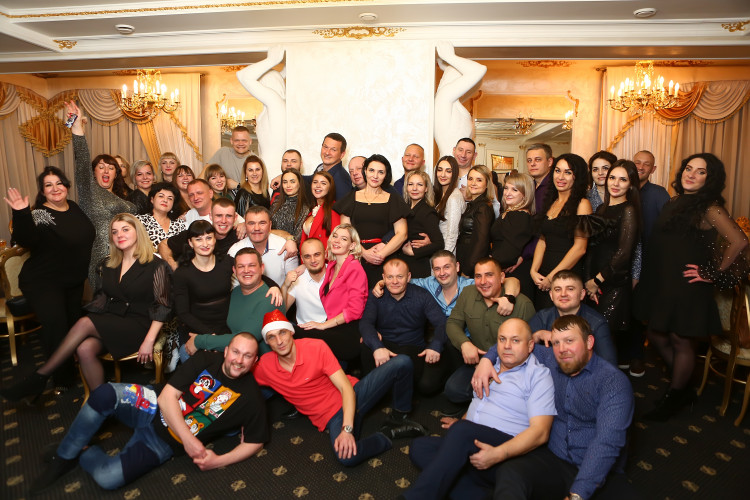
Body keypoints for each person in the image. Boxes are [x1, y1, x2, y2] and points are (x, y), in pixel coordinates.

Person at [29, 334, 268, 493]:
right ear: (226, 351)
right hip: (152, 404)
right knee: (104, 394)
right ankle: (63, 458)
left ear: (255, 360)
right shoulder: (207, 358)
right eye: (236, 352)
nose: (239, 360)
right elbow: (166, 397)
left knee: (108, 479)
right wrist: (189, 440)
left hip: (163, 443)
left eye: (247, 356)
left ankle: (82, 450)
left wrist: (218, 461)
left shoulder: (252, 398)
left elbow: (255, 442)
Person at [0, 213, 171, 403]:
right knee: (84, 348)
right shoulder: (108, 264)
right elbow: (100, 301)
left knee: (84, 323)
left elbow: (163, 305)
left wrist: (149, 340)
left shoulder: (157, 265)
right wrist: (77, 337)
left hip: (140, 324)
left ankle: (39, 377)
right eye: (114, 232)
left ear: (138, 232)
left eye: (125, 230)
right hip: (114, 320)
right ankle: (103, 404)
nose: (119, 235)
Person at [635, 153, 749, 421]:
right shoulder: (674, 201)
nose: (691, 175)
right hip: (664, 281)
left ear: (710, 179)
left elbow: (740, 241)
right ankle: (684, 384)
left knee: (681, 339)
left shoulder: (709, 207)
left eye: (701, 172)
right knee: (656, 333)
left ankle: (675, 395)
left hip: (687, 284)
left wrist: (713, 273)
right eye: (689, 168)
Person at [474, 315, 636, 500]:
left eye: (569, 341)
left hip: (599, 471)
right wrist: (486, 360)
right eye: (556, 342)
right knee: (510, 472)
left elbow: (607, 442)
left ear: (589, 342)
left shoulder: (612, 381)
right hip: (555, 460)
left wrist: (577, 495)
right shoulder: (551, 357)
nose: (562, 349)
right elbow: (510, 346)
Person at [403, 319, 555, 500]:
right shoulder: (490, 366)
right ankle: (478, 494)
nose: (507, 346)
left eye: (515, 340)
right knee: (420, 447)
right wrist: (464, 423)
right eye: (502, 339)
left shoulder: (538, 375)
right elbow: (482, 403)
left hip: (507, 451)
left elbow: (541, 433)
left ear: (530, 345)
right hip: (472, 441)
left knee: (459, 435)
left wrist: (493, 449)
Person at [253, 310, 426, 467]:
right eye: (272, 337)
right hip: (332, 417)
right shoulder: (265, 366)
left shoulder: (316, 347)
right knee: (347, 458)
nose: (279, 341)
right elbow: (243, 383)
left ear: (291, 332)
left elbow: (345, 388)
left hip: (354, 393)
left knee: (402, 362)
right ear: (267, 342)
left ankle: (399, 418)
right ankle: (387, 435)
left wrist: (347, 429)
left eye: (282, 332)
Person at [4, 168, 95, 391]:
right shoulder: (39, 215)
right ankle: (62, 380)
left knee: (73, 325)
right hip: (43, 281)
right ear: (42, 191)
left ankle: (75, 365)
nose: (55, 188)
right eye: (48, 185)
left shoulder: (73, 207)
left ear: (66, 186)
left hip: (72, 280)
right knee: (57, 328)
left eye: (59, 183)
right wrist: (21, 213)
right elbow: (26, 240)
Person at [444, 257, 534, 407]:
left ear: (502, 277)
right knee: (453, 390)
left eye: (489, 275)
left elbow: (531, 347)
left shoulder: (523, 304)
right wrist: (464, 343)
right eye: (478, 276)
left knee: (508, 397)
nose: (483, 281)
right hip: (477, 363)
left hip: (510, 367)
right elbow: (453, 322)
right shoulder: (468, 293)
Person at [64, 101, 135, 290]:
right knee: (105, 300)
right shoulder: (89, 191)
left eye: (111, 168)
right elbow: (82, 160)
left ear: (116, 173)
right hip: (102, 259)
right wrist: (76, 127)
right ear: (93, 172)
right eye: (101, 167)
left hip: (128, 256)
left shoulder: (124, 197)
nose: (106, 170)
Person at [360, 258, 448, 396]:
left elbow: (442, 323)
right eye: (390, 277)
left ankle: (389, 391)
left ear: (408, 277)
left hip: (412, 347)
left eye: (400, 276)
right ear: (383, 278)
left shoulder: (422, 296)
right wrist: (377, 346)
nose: (394, 281)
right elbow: (366, 323)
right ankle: (376, 391)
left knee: (426, 386)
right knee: (366, 344)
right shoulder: (376, 295)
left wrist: (435, 345)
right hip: (385, 345)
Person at [584, 160, 640, 364]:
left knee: (604, 340)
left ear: (631, 185)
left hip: (613, 283)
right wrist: (589, 281)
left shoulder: (629, 210)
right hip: (595, 281)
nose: (615, 183)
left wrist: (597, 280)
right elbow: (592, 247)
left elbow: (623, 253)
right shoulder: (601, 208)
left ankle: (609, 382)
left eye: (622, 179)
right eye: (612, 178)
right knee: (591, 339)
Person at [296, 224, 368, 363]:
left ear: (352, 245)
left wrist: (323, 325)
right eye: (335, 236)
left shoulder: (354, 268)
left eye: (343, 239)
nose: (337, 241)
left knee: (296, 332)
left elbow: (355, 310)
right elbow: (314, 260)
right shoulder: (332, 266)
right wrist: (303, 265)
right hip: (333, 329)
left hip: (347, 333)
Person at [189, 248, 282, 356]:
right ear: (234, 270)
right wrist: (217, 344)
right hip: (234, 355)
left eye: (251, 265)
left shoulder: (271, 299)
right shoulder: (236, 292)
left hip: (261, 361)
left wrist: (200, 341)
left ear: (262, 268)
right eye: (241, 266)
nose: (246, 270)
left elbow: (245, 339)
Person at [335, 154, 409, 287]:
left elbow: (402, 233)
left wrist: (381, 255)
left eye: (381, 172)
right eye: (371, 170)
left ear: (386, 175)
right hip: (356, 257)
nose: (375, 176)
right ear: (365, 171)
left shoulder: (393, 199)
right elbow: (345, 233)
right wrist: (363, 253)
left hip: (386, 260)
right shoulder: (351, 198)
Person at [530, 153, 592, 310]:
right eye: (558, 171)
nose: (561, 177)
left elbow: (580, 248)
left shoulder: (582, 205)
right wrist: (533, 270)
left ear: (577, 177)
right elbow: (543, 240)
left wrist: (553, 277)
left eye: (568, 172)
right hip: (544, 275)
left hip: (566, 277)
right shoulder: (552, 202)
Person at [528, 270, 617, 366]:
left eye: (570, 289)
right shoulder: (542, 318)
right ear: (551, 295)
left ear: (582, 294)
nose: (563, 294)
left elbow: (609, 366)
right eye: (557, 289)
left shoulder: (596, 323)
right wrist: (536, 336)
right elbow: (520, 355)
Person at [173, 220, 233, 362]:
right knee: (198, 362)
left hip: (228, 326)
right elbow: (183, 313)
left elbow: (252, 273)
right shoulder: (182, 273)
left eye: (209, 238)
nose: (205, 244)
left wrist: (273, 287)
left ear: (215, 239)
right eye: (198, 239)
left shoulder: (226, 262)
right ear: (190, 242)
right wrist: (209, 336)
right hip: (198, 328)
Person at [434, 40, 486, 157]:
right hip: (450, 164)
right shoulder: (444, 96)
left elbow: (477, 82)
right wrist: (449, 57)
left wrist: (447, 63)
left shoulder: (448, 103)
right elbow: (479, 70)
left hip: (452, 164)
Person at [159, 198, 240, 270]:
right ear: (211, 216)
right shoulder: (197, 232)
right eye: (219, 216)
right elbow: (163, 245)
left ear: (235, 218)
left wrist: (244, 225)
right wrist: (173, 264)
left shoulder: (240, 235)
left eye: (229, 216)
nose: (223, 221)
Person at [517, 144, 554, 300]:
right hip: (527, 251)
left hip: (544, 254)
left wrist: (523, 255)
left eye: (538, 160)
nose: (532, 164)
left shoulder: (553, 188)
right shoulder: (530, 185)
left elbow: (542, 230)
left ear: (550, 162)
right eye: (529, 160)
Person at [228, 205, 299, 285]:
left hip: (282, 292)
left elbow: (294, 283)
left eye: (262, 223)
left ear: (270, 225)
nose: (257, 228)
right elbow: (234, 287)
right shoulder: (235, 251)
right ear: (245, 226)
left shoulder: (285, 246)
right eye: (251, 223)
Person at [491, 171, 535, 295]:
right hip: (504, 272)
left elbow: (509, 253)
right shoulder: (509, 213)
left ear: (525, 194)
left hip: (515, 275)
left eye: (515, 190)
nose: (507, 193)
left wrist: (490, 263)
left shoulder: (520, 216)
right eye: (506, 188)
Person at [400, 170, 444, 278]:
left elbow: (439, 244)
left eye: (419, 185)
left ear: (426, 188)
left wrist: (414, 252)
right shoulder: (404, 207)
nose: (414, 188)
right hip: (403, 264)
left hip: (417, 266)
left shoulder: (427, 212)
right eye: (411, 184)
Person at [456, 165, 495, 277]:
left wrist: (468, 269)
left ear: (487, 184)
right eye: (470, 179)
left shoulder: (483, 207)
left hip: (472, 265)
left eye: (479, 180)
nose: (473, 183)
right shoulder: (473, 205)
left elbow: (481, 242)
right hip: (464, 258)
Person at [135, 182, 185, 248]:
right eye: (161, 196)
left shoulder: (179, 224)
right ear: (152, 199)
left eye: (170, 198)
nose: (165, 200)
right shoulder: (139, 221)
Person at [299, 171, 340, 250]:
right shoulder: (312, 209)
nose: (318, 186)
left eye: (323, 183)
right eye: (315, 182)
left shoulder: (334, 209)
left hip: (324, 256)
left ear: (330, 188)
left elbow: (336, 241)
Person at [433, 155, 465, 254]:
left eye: (448, 171)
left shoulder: (453, 198)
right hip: (438, 248)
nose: (443, 175)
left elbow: (452, 235)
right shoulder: (439, 194)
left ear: (454, 174)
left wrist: (444, 257)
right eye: (440, 170)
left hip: (446, 251)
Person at [271, 169, 310, 241]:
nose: (288, 185)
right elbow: (265, 230)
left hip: (291, 246)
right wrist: (281, 234)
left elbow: (297, 238)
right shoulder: (275, 204)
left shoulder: (305, 208)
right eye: (285, 182)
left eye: (292, 182)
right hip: (272, 245)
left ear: (299, 183)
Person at [311, 133, 352, 200]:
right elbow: (309, 179)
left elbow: (342, 205)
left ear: (342, 154)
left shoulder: (341, 179)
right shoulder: (320, 168)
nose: (327, 152)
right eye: (325, 147)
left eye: (333, 150)